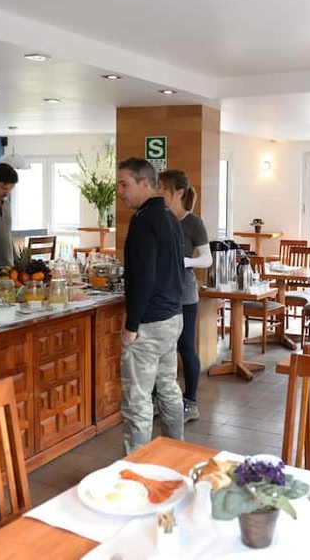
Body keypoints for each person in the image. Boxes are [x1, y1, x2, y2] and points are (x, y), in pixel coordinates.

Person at [117, 157, 186, 453]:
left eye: (124, 184)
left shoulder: (144, 220)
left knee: (137, 401)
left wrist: (131, 324)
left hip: (149, 324)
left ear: (145, 183)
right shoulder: (169, 216)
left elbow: (144, 276)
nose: (119, 191)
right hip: (172, 317)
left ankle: (135, 467)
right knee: (168, 387)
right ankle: (175, 452)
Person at [157, 169, 211, 423]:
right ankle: (160, 400)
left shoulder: (193, 223)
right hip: (161, 293)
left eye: (162, 188)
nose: (158, 192)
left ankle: (191, 402)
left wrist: (185, 261)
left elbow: (207, 259)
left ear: (178, 192)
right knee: (160, 347)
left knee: (185, 346)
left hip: (185, 294)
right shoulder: (160, 218)